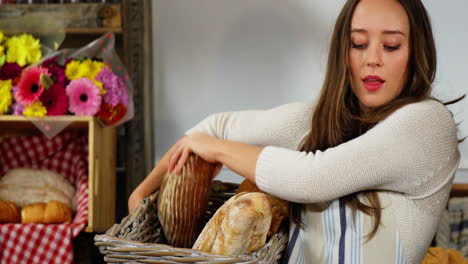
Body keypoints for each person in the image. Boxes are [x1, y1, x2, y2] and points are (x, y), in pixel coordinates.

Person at [129, 0, 464, 263]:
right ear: (342, 52)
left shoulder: (428, 125)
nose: (372, 58)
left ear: (416, 53)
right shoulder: (316, 121)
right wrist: (141, 192)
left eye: (391, 46)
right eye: (358, 44)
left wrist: (217, 149)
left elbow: (312, 178)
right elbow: (210, 129)